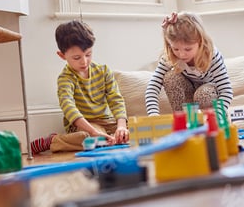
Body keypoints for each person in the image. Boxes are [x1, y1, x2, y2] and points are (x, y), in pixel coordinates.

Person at [30, 20, 129, 154]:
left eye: (88, 54)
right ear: (62, 55)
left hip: (107, 123)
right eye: (77, 57)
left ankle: (108, 138)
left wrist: (121, 127)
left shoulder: (103, 71)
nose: (84, 61)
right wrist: (93, 131)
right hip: (84, 127)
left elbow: (116, 99)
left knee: (134, 131)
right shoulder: (65, 78)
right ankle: (53, 141)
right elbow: (68, 107)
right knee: (90, 138)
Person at [145, 12, 233, 117]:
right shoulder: (170, 56)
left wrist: (218, 115)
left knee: (203, 94)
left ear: (200, 42)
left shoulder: (211, 55)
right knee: (171, 78)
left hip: (209, 95)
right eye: (175, 49)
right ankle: (183, 120)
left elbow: (226, 91)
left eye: (188, 49)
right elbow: (152, 87)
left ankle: (211, 123)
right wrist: (153, 114)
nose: (181, 54)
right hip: (188, 97)